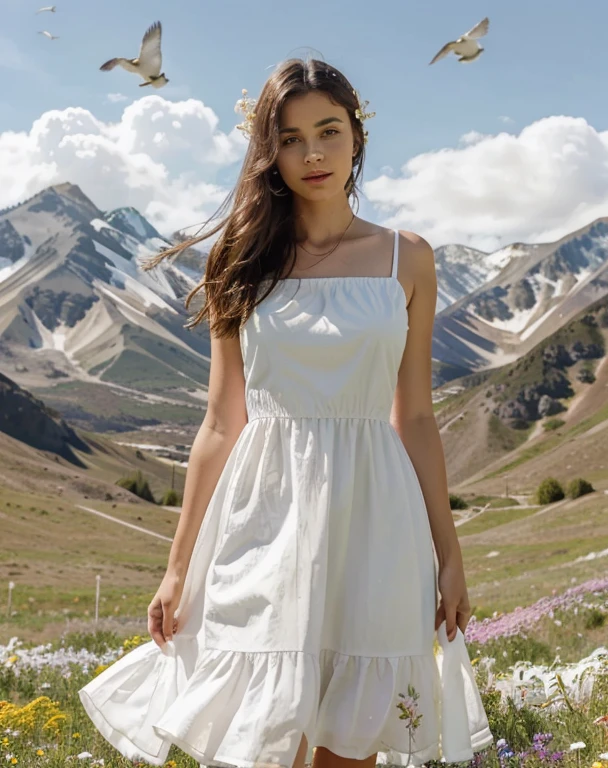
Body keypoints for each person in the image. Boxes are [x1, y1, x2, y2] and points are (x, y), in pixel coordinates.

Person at [78, 57, 493, 768]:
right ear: (270, 151)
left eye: (329, 131)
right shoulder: (239, 259)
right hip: (264, 517)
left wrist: (449, 558)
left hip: (376, 518)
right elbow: (218, 422)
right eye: (292, 138)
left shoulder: (408, 259)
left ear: (356, 135)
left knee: (353, 743)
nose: (314, 154)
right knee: (264, 739)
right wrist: (177, 570)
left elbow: (416, 419)